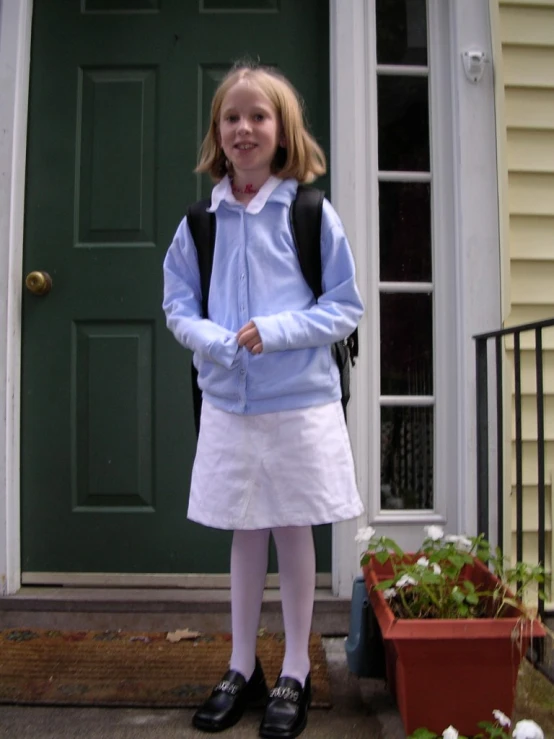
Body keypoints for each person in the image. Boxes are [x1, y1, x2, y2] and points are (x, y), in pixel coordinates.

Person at [162, 63, 364, 738]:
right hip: (229, 404)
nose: (244, 128)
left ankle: (297, 668)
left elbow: (344, 306)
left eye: (258, 116)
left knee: (292, 526)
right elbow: (177, 305)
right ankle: (240, 665)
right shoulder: (201, 222)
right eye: (231, 118)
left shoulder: (308, 212)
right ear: (217, 135)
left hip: (299, 401)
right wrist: (215, 341)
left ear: (282, 133)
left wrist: (275, 332)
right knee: (245, 529)